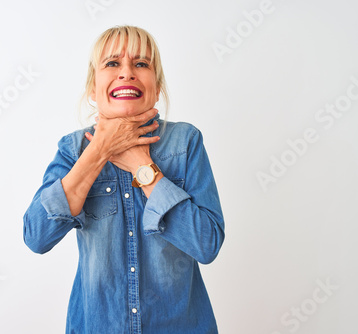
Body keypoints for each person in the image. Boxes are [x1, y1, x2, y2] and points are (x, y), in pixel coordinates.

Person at [23, 25, 225, 334]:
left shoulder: (185, 142)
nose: (127, 72)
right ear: (93, 87)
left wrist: (142, 167)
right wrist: (99, 151)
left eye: (141, 64)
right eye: (112, 63)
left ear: (156, 88)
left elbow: (206, 243)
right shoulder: (72, 149)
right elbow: (36, 236)